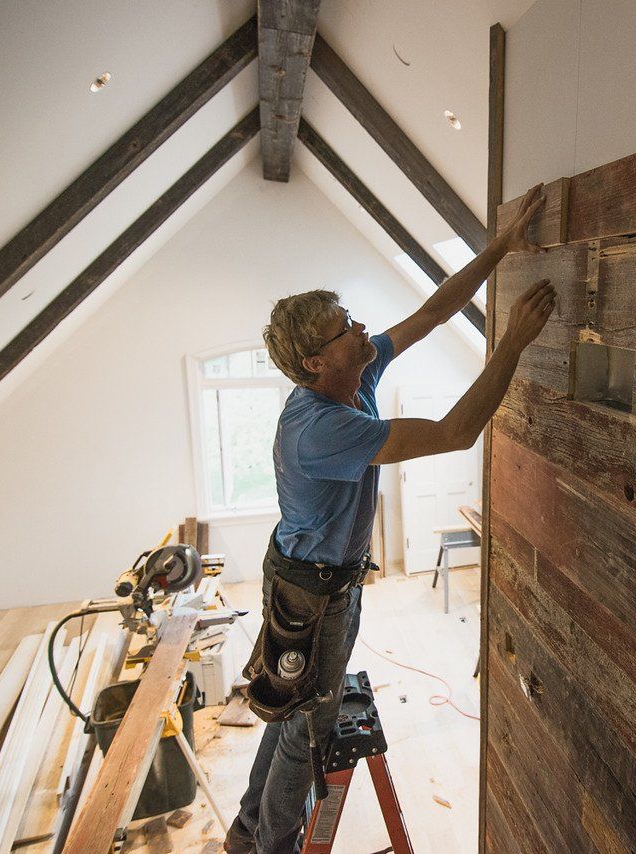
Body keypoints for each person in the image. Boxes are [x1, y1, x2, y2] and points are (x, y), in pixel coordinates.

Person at [225, 184, 555, 853]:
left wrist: (501, 245)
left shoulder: (357, 376)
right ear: (315, 362)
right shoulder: (320, 427)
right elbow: (456, 432)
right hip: (312, 594)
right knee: (305, 726)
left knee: (287, 709)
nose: (360, 330)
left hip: (315, 578)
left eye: (351, 318)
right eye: (344, 329)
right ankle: (270, 846)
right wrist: (513, 343)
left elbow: (432, 312)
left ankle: (247, 834)